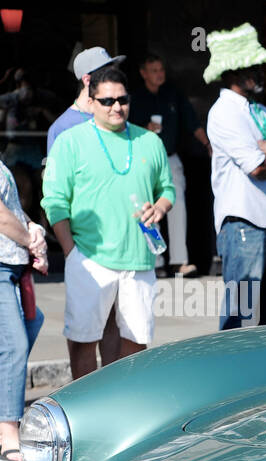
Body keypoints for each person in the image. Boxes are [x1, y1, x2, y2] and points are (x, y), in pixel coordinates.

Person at [41, 65, 173, 379]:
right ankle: (85, 412)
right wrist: (70, 251)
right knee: (83, 340)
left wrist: (160, 207)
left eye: (123, 100)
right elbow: (55, 201)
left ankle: (123, 406)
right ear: (91, 100)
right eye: (107, 101)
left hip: (139, 259)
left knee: (136, 339)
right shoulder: (71, 141)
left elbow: (167, 188)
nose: (116, 107)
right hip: (88, 257)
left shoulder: (149, 142)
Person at [204, 23, 266, 332]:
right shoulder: (224, 112)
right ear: (233, 72)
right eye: (253, 67)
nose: (260, 72)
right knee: (239, 314)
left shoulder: (261, 111)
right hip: (243, 222)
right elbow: (257, 168)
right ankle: (230, 374)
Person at [48, 46, 125, 366]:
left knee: (116, 328)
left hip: (122, 247)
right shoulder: (63, 128)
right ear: (88, 79)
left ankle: (114, 397)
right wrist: (69, 249)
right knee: (84, 332)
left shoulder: (118, 119)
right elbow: (54, 195)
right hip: (85, 247)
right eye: (108, 71)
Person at [133, 53, 212, 277]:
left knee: (178, 207)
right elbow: (125, 128)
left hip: (170, 156)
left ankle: (179, 261)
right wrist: (144, 129)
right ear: (144, 73)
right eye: (154, 70)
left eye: (161, 69)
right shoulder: (135, 98)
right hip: (144, 158)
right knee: (147, 208)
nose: (159, 74)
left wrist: (207, 143)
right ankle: (155, 260)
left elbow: (191, 121)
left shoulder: (172, 94)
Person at [0, 157, 45, 461]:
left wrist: (31, 225)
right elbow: (2, 218)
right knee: (14, 344)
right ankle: (7, 432)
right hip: (3, 265)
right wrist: (32, 241)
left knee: (30, 325)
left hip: (11, 264)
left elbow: (10, 208)